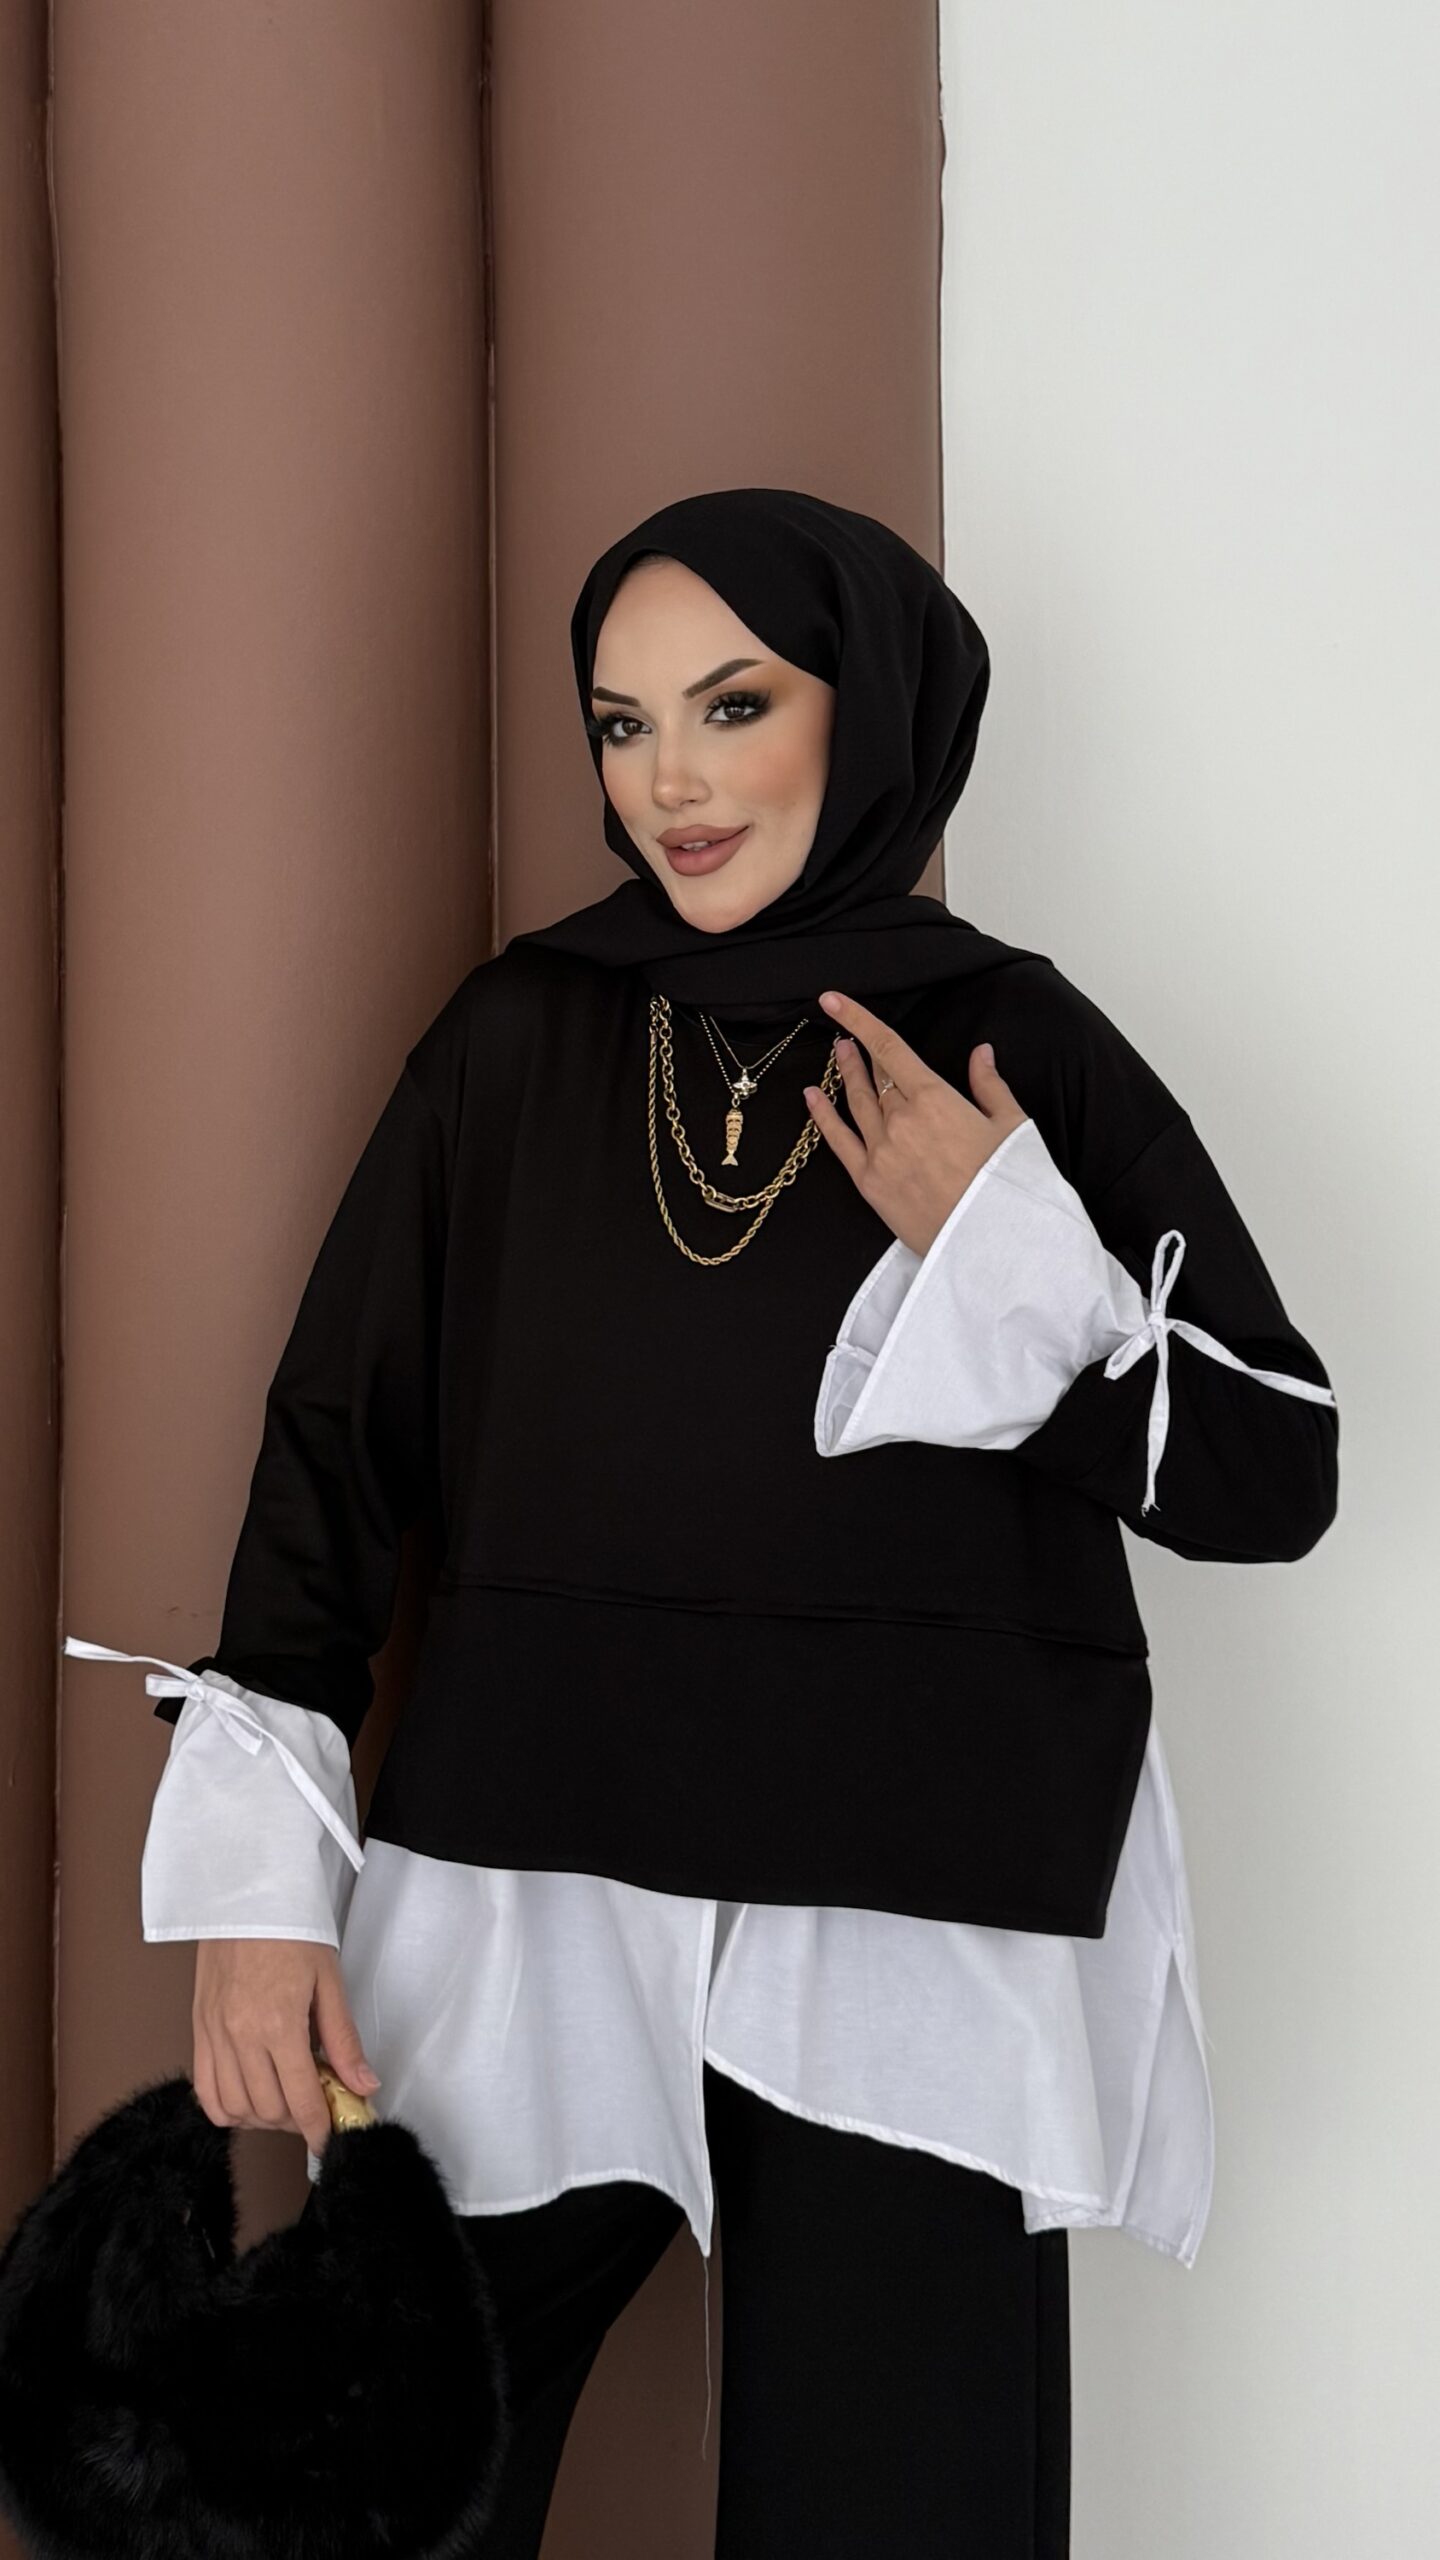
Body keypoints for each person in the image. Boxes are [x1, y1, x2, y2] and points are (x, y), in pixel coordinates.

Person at [67, 487, 1340, 2556]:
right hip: (533, 1876)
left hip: (914, 1907)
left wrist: (1015, 1268)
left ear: (872, 711)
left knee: (895, 2518)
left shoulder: (1015, 1047)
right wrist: (259, 1895)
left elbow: (1276, 1475)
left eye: (732, 705)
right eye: (623, 721)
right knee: (354, 2495)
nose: (668, 779)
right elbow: (336, 1452)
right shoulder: (516, 1036)